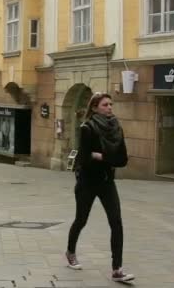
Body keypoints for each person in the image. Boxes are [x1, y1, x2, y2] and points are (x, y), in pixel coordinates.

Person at [65, 93, 133, 282]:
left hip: (106, 182)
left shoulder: (117, 129)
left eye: (111, 104)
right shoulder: (87, 128)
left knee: (116, 222)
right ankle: (70, 252)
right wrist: (102, 158)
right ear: (94, 108)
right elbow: (84, 159)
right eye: (105, 105)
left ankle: (117, 269)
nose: (110, 107)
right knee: (81, 220)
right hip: (87, 182)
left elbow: (123, 159)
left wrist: (102, 157)